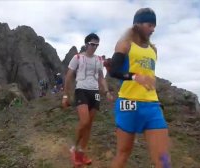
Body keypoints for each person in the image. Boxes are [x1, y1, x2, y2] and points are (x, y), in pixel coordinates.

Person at [109, 8, 171, 168]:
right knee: (123, 155)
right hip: (128, 104)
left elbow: (149, 76)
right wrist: (135, 77)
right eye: (149, 25)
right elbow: (114, 71)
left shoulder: (153, 50)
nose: (153, 29)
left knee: (163, 160)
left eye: (154, 26)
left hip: (152, 106)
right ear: (137, 24)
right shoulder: (125, 44)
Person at [62, 33, 113, 166]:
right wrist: (66, 95)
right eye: (92, 44)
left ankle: (81, 153)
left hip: (94, 92)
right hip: (81, 90)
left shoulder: (98, 60)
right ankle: (73, 148)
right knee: (84, 121)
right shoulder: (77, 57)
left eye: (97, 45)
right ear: (86, 44)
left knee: (89, 125)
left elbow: (101, 77)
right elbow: (68, 76)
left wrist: (106, 91)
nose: (94, 47)